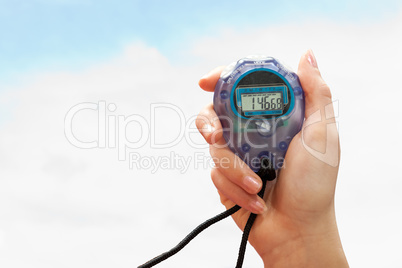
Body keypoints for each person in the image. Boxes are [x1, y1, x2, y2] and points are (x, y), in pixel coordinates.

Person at [195, 50, 349, 267]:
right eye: (254, 102)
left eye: (268, 102)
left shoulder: (234, 88)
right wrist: (297, 246)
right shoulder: (278, 87)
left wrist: (307, 235)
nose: (263, 122)